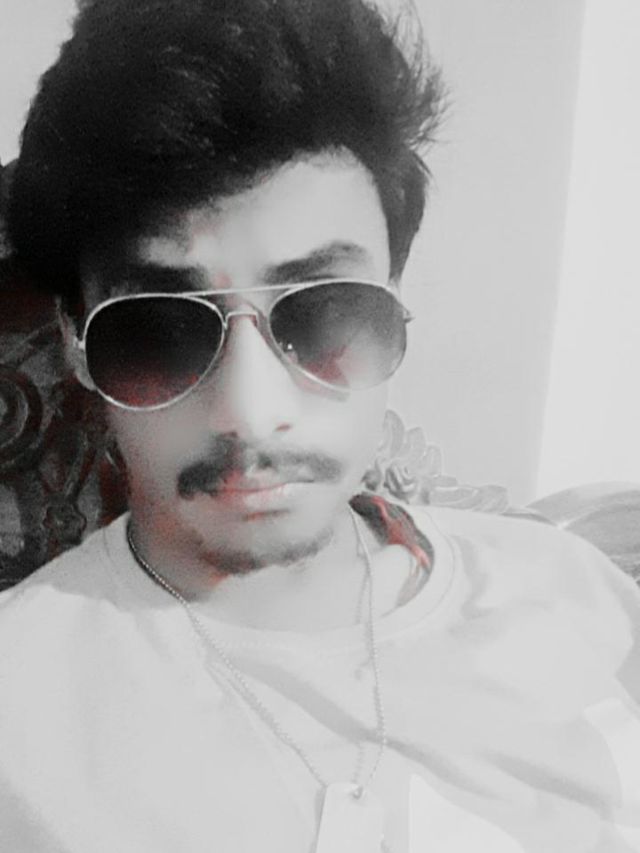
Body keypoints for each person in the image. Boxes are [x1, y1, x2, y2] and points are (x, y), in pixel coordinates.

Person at [1, 0, 639, 850]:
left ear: (395, 303)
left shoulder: (574, 594)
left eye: (325, 309)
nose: (250, 410)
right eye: (157, 330)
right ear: (77, 345)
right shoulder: (18, 711)